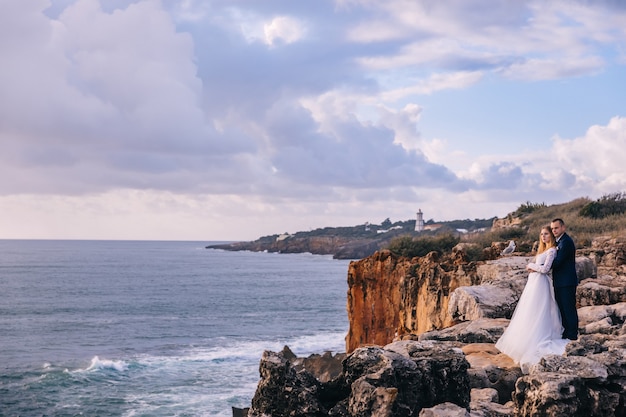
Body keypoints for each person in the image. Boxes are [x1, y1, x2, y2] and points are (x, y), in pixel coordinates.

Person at [495, 226, 569, 373]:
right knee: (530, 310)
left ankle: (537, 337)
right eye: (542, 234)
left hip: (541, 284)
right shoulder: (542, 250)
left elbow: (546, 268)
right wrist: (534, 267)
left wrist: (531, 265)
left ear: (551, 236)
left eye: (546, 234)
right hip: (534, 283)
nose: (543, 236)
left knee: (540, 309)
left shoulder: (552, 250)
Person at [550, 218, 579, 340]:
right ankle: (567, 332)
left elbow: (557, 262)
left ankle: (572, 335)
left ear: (563, 227)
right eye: (552, 228)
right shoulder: (558, 242)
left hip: (567, 282)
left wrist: (542, 266)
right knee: (562, 308)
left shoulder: (566, 242)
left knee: (568, 308)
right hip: (560, 282)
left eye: (556, 228)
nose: (554, 230)